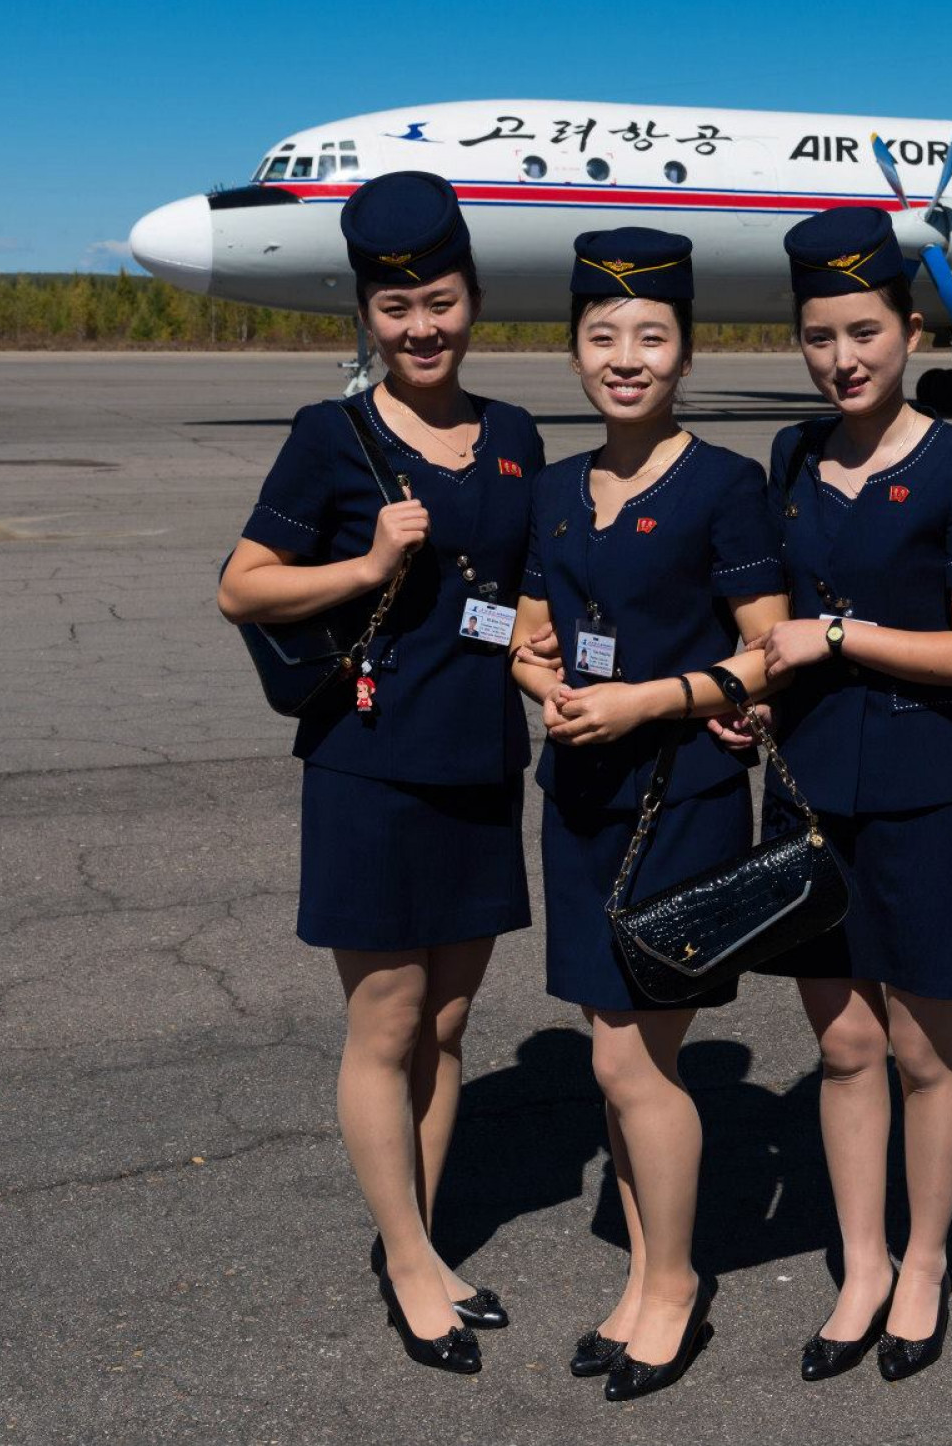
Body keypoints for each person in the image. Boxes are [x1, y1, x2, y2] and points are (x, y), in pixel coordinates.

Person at [216, 170, 544, 1376]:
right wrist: (360, 566)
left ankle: (427, 1232)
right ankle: (405, 1256)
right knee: (386, 1017)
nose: (422, 327)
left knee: (452, 1024)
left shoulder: (512, 437)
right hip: (368, 760)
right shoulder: (330, 435)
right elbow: (240, 584)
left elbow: (507, 607)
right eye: (396, 306)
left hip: (479, 758)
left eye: (441, 301)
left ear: (473, 300)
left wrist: (561, 674)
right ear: (367, 313)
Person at [508, 227, 791, 1402]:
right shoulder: (556, 488)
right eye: (603, 337)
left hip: (676, 800)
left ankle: (671, 1284)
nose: (626, 357)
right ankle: (640, 1275)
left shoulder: (725, 485)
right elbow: (525, 636)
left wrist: (649, 702)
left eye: (651, 338)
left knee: (631, 1058)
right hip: (579, 796)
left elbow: (766, 652)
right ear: (574, 351)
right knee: (609, 1052)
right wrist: (553, 690)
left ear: (685, 352)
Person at [753, 205, 952, 1383]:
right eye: (819, 336)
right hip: (810, 785)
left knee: (922, 1044)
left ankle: (922, 1262)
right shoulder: (789, 457)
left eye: (863, 330)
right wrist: (750, 686)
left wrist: (841, 634)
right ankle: (858, 1261)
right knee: (843, 1040)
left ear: (909, 328)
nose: (842, 357)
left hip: (923, 791)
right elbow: (770, 623)